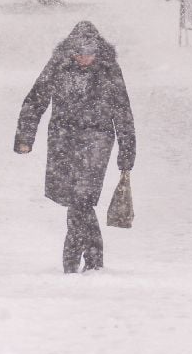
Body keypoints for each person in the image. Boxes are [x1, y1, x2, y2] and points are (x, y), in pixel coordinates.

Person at [14, 21, 136, 273]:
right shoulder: (58, 66)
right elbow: (35, 100)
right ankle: (94, 260)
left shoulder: (108, 69)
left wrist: (127, 150)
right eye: (79, 54)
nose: (84, 59)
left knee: (82, 197)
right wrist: (25, 138)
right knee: (76, 199)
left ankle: (71, 261)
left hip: (98, 138)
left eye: (89, 54)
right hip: (63, 138)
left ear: (97, 52)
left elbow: (123, 110)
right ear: (70, 51)